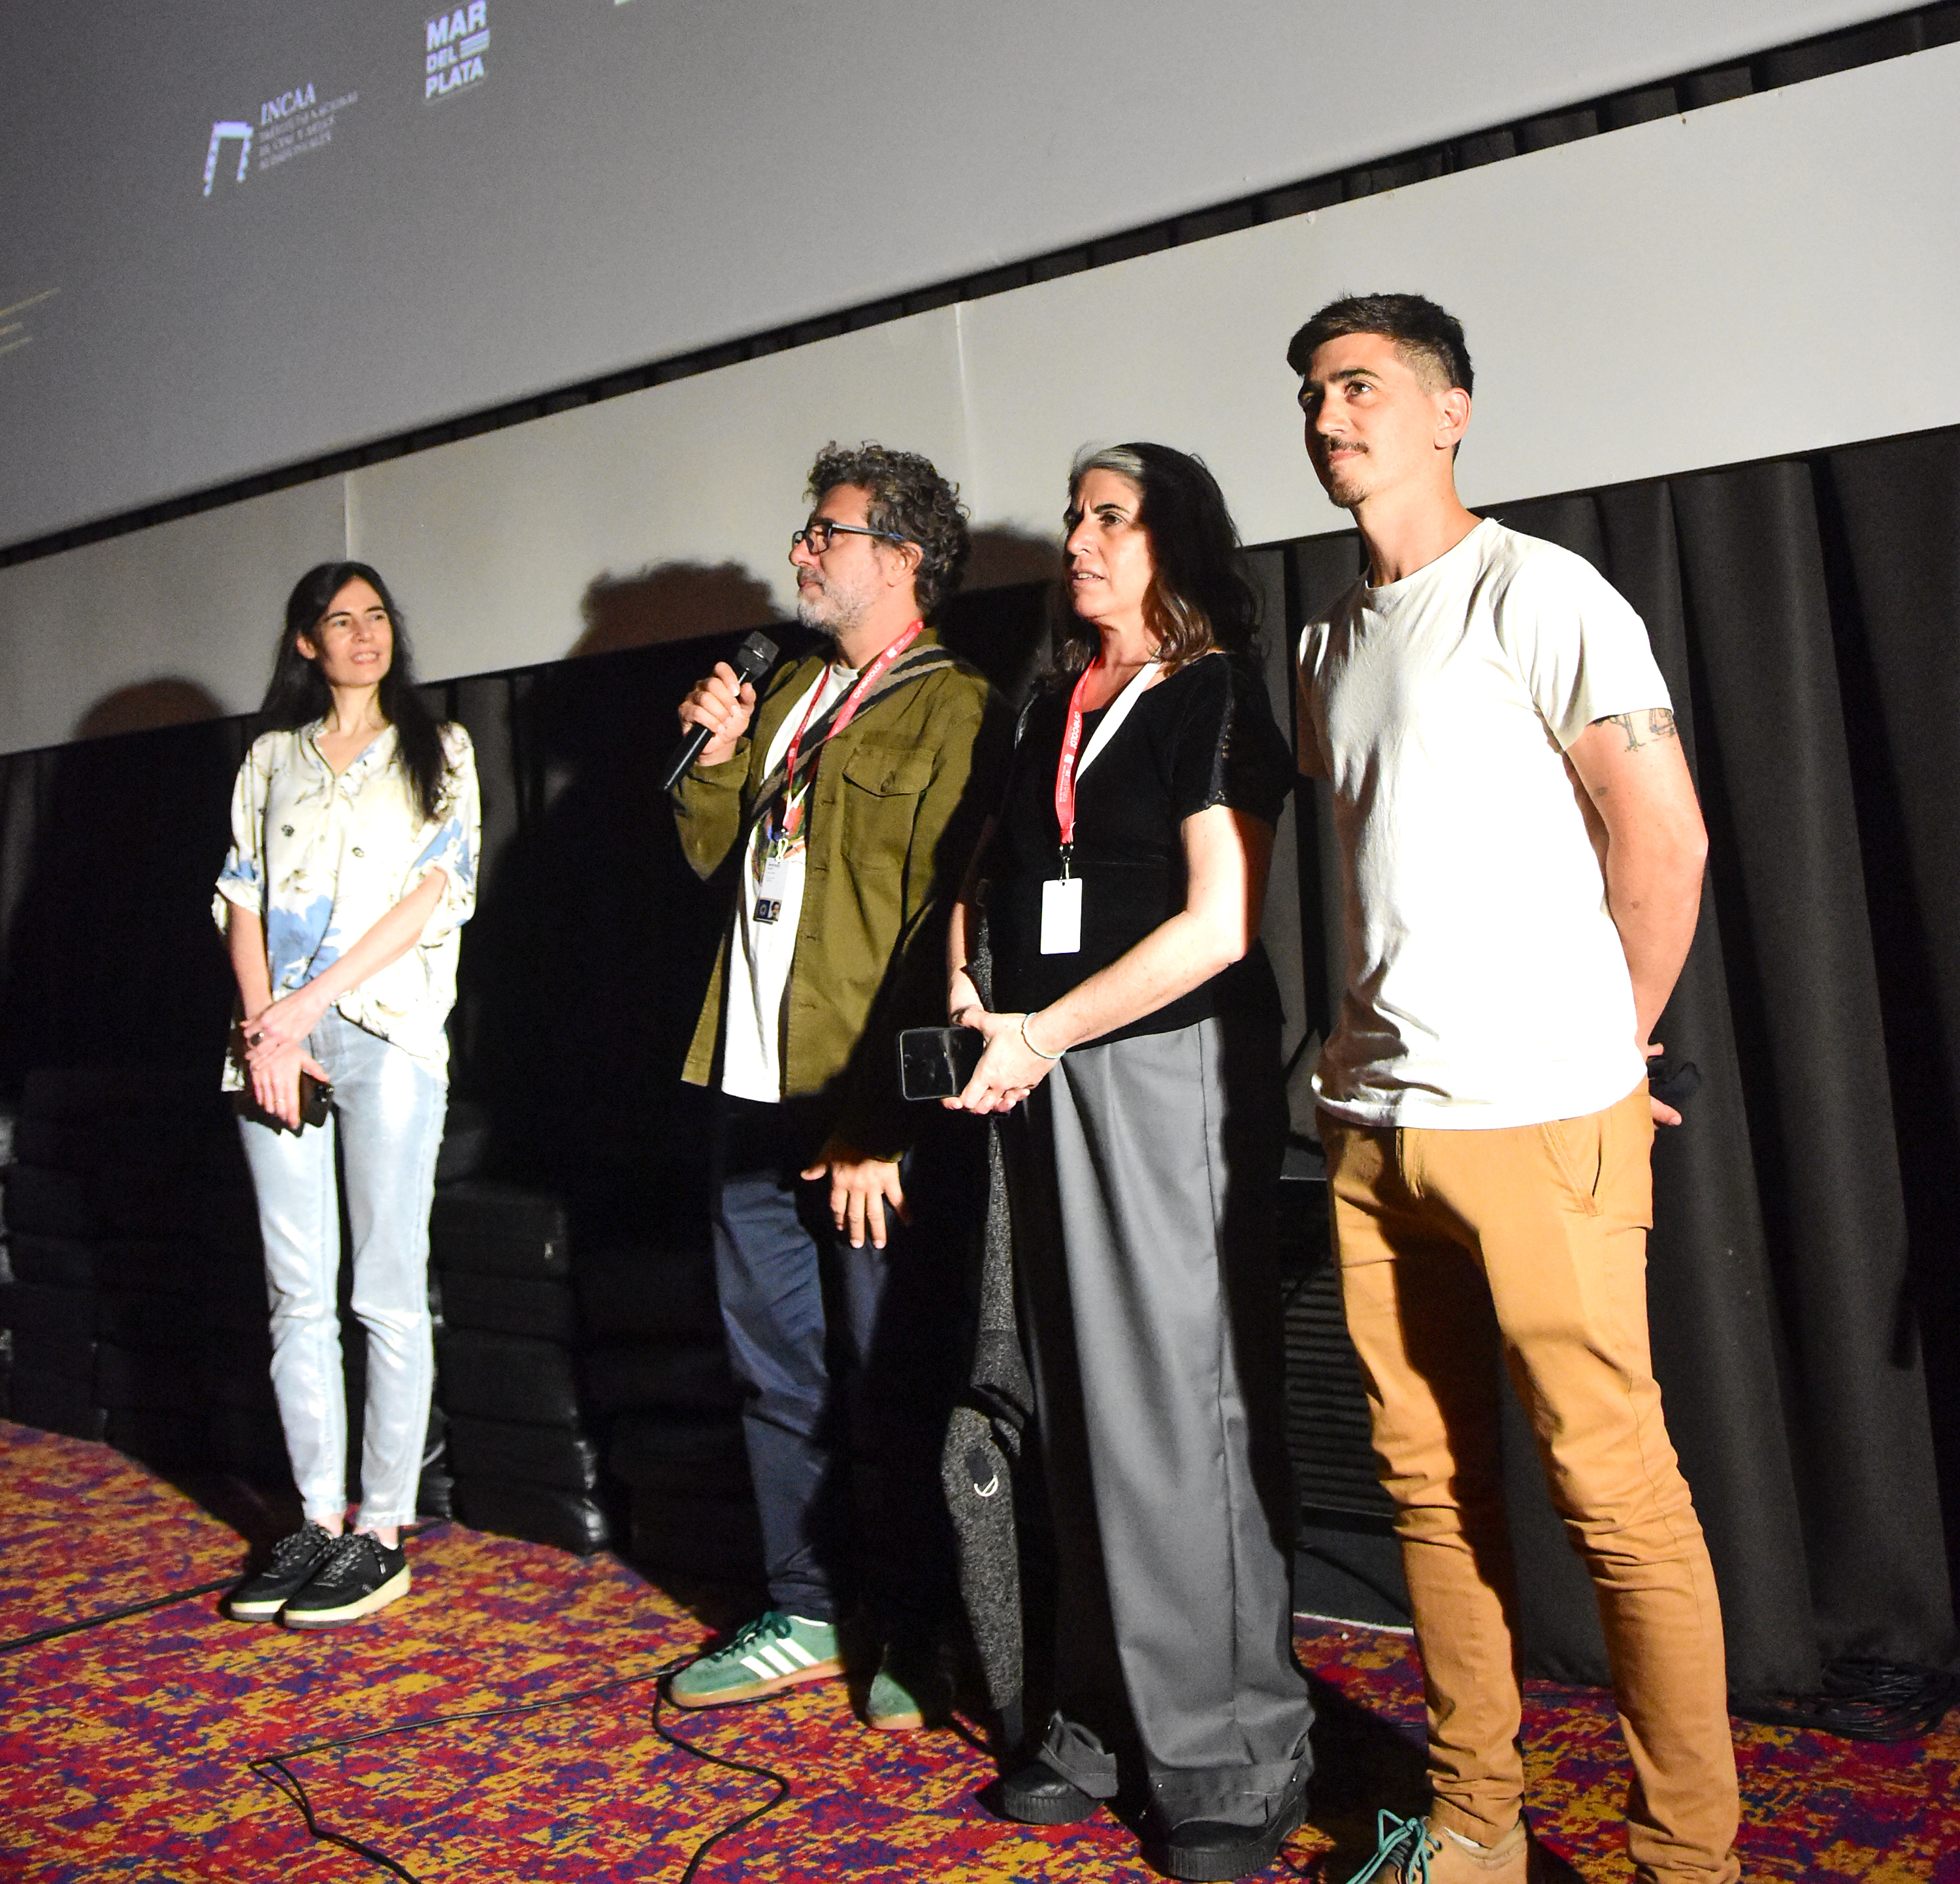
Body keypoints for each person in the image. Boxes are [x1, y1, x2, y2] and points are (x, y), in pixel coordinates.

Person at [1288, 293, 1740, 1884]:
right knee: (1427, 1487)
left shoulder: (1544, 593)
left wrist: (1609, 1052)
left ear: (1449, 409)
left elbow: (1664, 839)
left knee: (1614, 1495)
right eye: (1313, 391)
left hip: (1542, 1122)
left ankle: (1689, 1859)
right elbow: (1367, 884)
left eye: (1360, 385)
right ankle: (1476, 1817)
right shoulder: (1325, 636)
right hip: (1379, 1130)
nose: (1329, 414)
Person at [950, 442, 1315, 1884]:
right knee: (1082, 1398)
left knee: (1180, 1404)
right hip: (1040, 1061)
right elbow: (992, 875)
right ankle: (1108, 1712)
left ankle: (1237, 1748)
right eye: (1076, 517)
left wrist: (1045, 1028)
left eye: (1115, 517)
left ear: (1181, 542)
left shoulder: (1212, 692)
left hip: (1158, 1064)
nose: (1081, 539)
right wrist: (979, 998)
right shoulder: (1050, 701)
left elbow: (1221, 925)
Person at [666, 442, 1010, 1727]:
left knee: (892, 1376)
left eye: (827, 530)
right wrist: (716, 749)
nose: (802, 549)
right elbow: (716, 851)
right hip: (748, 1087)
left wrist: (887, 1125)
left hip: (864, 1106)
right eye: (808, 529)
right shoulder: (797, 690)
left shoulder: (955, 704)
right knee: (775, 1370)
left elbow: (945, 929)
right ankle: (805, 1607)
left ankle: (919, 1623)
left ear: (900, 555)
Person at [214, 561, 479, 1627]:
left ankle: (382, 1530)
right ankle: (318, 1520)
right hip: (275, 1043)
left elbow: (434, 895)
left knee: (384, 1289)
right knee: (297, 1294)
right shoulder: (272, 757)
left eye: (377, 617)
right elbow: (241, 893)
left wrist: (304, 1003)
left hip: (386, 1033)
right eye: (341, 620)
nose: (365, 635)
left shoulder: (438, 749)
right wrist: (264, 1025)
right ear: (305, 643)